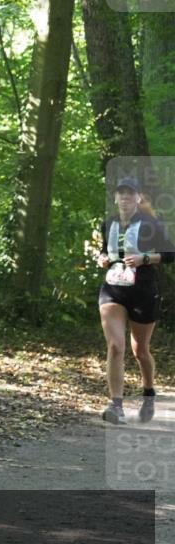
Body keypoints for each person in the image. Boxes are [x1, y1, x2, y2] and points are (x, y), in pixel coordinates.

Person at [97, 176, 174, 425]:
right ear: (115, 197)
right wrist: (102, 258)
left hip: (143, 291)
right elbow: (105, 251)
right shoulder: (108, 224)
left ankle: (149, 392)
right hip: (113, 289)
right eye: (121, 193)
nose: (125, 197)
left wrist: (145, 258)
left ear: (138, 197)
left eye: (130, 193)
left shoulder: (151, 224)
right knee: (115, 346)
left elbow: (170, 253)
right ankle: (116, 405)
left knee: (140, 350)